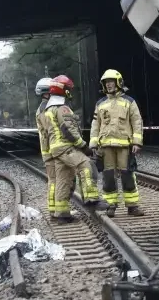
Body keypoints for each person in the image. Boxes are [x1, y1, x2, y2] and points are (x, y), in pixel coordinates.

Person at [38, 75, 104, 223]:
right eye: (68, 89)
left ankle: (61, 214)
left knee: (63, 179)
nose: (70, 91)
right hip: (65, 147)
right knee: (86, 165)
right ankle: (92, 199)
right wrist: (83, 146)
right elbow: (68, 130)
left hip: (55, 150)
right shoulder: (62, 108)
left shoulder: (48, 109)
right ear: (62, 90)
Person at [90, 69, 144, 217]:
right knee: (108, 177)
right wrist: (93, 144)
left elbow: (137, 122)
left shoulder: (129, 102)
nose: (108, 85)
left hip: (124, 146)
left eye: (111, 82)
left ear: (118, 83)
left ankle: (132, 206)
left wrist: (137, 142)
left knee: (127, 175)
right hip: (105, 147)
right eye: (106, 82)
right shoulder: (100, 103)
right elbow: (96, 124)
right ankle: (110, 205)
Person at [34, 77, 55, 214]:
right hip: (51, 150)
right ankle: (55, 208)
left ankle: (55, 207)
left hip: (48, 149)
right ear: (47, 93)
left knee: (54, 179)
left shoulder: (43, 107)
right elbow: (51, 130)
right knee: (55, 179)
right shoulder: (45, 109)